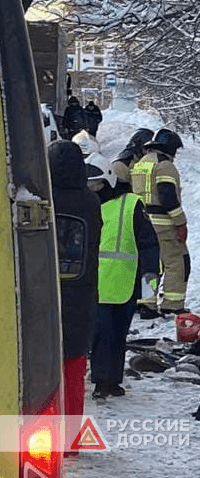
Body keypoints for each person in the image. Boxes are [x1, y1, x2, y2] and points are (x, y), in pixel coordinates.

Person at [85, 153, 159, 399]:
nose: (93, 189)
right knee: (103, 336)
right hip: (97, 283)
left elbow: (148, 242)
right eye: (89, 185)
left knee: (118, 335)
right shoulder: (88, 203)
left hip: (124, 282)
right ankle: (101, 382)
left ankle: (112, 380)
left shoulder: (131, 204)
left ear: (108, 180)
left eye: (96, 184)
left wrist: (150, 275)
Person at [48, 140, 103, 455]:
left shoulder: (43, 198)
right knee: (73, 372)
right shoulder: (90, 202)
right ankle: (70, 442)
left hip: (42, 297)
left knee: (40, 373)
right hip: (81, 298)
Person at [130, 128, 190, 318]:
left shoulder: (140, 163)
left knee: (151, 263)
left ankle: (146, 303)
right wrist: (181, 222)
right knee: (177, 262)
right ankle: (172, 304)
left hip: (144, 222)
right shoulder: (164, 165)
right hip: (163, 224)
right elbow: (167, 196)